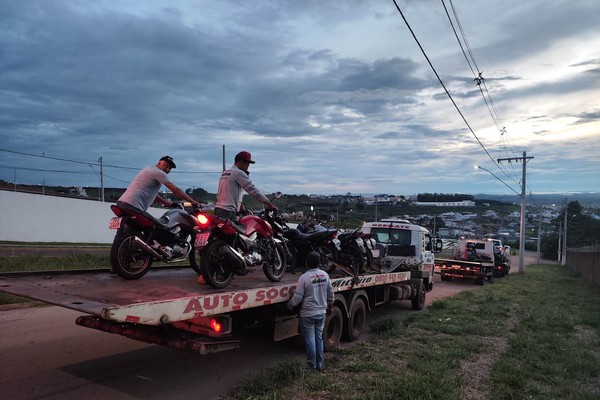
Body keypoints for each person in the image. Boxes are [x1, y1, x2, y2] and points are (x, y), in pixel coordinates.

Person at [287, 251, 334, 371]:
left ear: (307, 263)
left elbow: (297, 298)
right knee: (319, 338)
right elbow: (330, 293)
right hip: (321, 313)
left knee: (310, 340)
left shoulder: (304, 277)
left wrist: (289, 306)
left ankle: (311, 366)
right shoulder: (325, 275)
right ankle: (319, 364)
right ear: (319, 262)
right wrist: (330, 307)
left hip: (307, 314)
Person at [117, 155, 200, 213]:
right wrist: (193, 201)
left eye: (170, 168)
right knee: (151, 229)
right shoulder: (159, 172)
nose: (167, 169)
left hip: (122, 203)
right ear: (159, 162)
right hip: (134, 205)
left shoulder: (148, 169)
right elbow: (175, 190)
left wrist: (166, 203)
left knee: (127, 232)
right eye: (166, 165)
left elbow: (154, 195)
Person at [214, 151, 276, 220]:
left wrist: (240, 206)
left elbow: (229, 193)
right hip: (228, 211)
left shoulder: (226, 172)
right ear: (240, 161)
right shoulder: (238, 173)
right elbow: (253, 190)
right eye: (247, 164)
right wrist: (269, 204)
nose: (247, 167)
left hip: (218, 209)